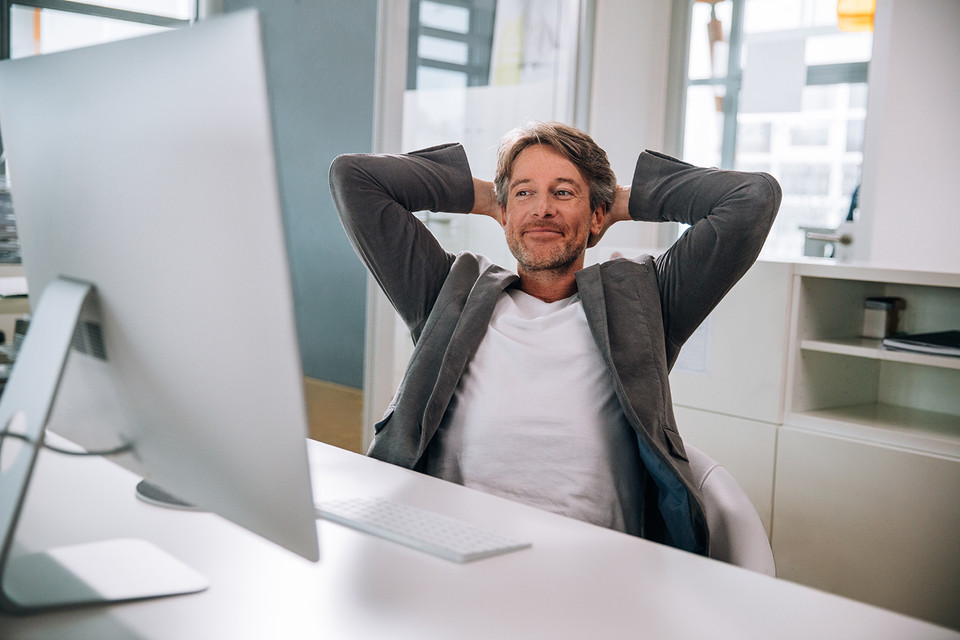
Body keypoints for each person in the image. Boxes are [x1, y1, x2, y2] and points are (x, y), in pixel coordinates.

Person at [329, 122, 781, 555]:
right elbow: (354, 178)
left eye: (563, 193)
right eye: (525, 193)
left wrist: (619, 202)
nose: (542, 208)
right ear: (504, 213)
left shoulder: (646, 303)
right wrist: (489, 198)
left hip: (590, 564)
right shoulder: (449, 292)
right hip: (451, 546)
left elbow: (751, 198)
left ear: (596, 215)